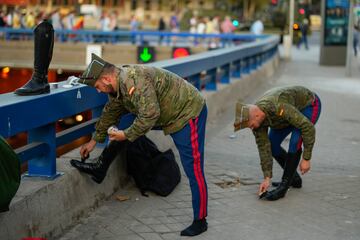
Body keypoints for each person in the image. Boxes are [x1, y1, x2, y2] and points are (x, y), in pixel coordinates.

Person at [70, 54, 208, 236]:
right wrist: (94, 140)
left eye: (97, 86)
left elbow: (150, 116)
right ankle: (100, 167)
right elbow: (110, 112)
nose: (98, 91)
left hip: (187, 113)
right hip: (164, 113)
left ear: (106, 78)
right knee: (125, 120)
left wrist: (125, 135)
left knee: (194, 168)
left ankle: (200, 220)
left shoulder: (135, 81)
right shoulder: (118, 85)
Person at [233, 86, 321, 201]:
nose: (251, 128)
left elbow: (308, 127)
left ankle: (284, 187)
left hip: (308, 105)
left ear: (257, 116)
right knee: (272, 145)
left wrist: (306, 158)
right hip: (286, 116)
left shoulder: (276, 106)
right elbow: (263, 147)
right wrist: (267, 178)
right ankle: (294, 179)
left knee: (295, 142)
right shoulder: (257, 122)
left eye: (250, 124)